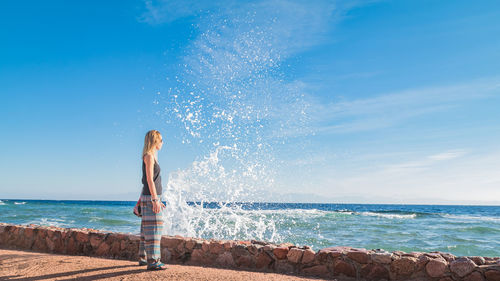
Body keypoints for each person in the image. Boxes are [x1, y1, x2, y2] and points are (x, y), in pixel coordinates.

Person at [138, 130, 167, 270]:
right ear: (155, 141)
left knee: (146, 230)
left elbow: (147, 182)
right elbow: (149, 180)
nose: (162, 143)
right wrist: (155, 200)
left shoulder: (151, 156)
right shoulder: (149, 156)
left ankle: (143, 257)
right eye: (161, 140)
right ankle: (153, 261)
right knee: (154, 229)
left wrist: (154, 199)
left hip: (149, 196)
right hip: (151, 197)